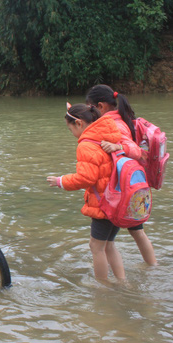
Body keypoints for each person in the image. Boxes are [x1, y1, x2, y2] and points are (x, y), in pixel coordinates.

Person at [47, 103, 126, 283]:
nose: (72, 134)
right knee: (109, 245)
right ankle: (123, 282)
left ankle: (102, 288)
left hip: (103, 205)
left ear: (79, 124)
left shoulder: (86, 145)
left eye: (70, 129)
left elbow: (86, 178)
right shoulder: (111, 136)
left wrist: (60, 181)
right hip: (119, 201)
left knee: (96, 247)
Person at [86, 84, 157, 266]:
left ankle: (108, 288)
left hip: (121, 189)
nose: (90, 114)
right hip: (133, 185)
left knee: (102, 244)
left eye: (91, 109)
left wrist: (119, 147)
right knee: (137, 233)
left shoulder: (113, 124)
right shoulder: (124, 118)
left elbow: (134, 150)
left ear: (101, 106)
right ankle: (152, 268)